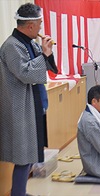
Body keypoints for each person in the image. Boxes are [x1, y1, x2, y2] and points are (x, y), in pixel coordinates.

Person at [0, 3, 57, 196]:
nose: (41, 28)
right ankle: (18, 193)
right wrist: (44, 55)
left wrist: (46, 53)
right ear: (30, 25)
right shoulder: (11, 46)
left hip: (34, 104)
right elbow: (25, 73)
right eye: (39, 24)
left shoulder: (30, 42)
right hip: (20, 108)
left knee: (31, 154)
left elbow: (44, 63)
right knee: (23, 156)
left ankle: (20, 192)